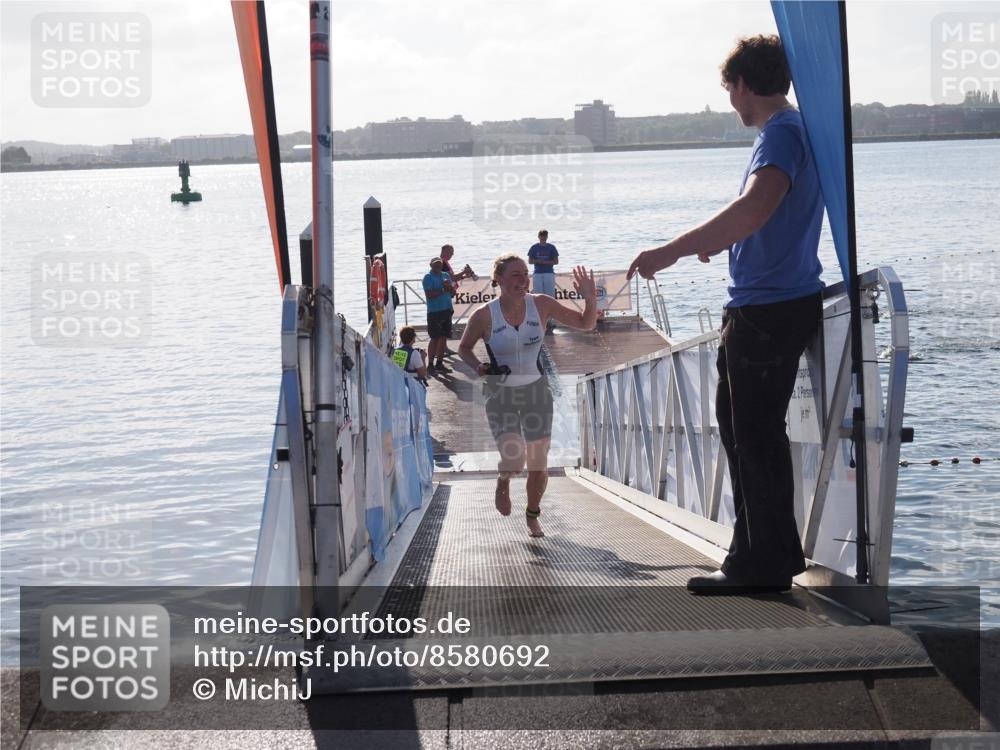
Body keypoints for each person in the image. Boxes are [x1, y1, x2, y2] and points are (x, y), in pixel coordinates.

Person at [627, 34, 824, 594]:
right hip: (774, 301)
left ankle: (760, 566)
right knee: (745, 431)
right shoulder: (793, 130)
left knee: (754, 435)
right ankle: (763, 552)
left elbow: (756, 206)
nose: (731, 102)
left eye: (730, 90)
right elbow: (760, 217)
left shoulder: (781, 133)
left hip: (768, 308)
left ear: (744, 84)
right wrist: (729, 241)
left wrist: (673, 249)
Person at [459, 254, 597, 537]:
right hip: (501, 393)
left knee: (538, 462)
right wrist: (478, 367)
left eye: (526, 274)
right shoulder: (484, 315)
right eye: (515, 275)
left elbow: (586, 323)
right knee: (515, 459)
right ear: (498, 279)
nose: (523, 280)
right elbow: (464, 348)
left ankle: (533, 514)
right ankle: (503, 479)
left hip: (536, 391)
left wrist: (589, 297)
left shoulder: (541, 304)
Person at [439, 244, 477, 358]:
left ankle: (444, 347)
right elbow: (452, 278)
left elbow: (453, 278)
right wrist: (464, 272)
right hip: (443, 297)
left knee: (446, 323)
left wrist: (464, 275)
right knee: (443, 324)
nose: (452, 254)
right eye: (451, 252)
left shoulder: (445, 263)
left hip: (447, 296)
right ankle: (442, 348)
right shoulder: (441, 263)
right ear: (445, 251)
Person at [422, 257, 455, 374]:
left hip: (447, 309)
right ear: (431, 265)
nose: (438, 266)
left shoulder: (446, 275)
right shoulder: (428, 277)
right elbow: (429, 294)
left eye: (440, 264)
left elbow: (452, 293)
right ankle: (430, 365)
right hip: (434, 312)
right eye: (436, 264)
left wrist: (450, 288)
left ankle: (439, 363)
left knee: (443, 338)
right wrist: (443, 289)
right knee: (434, 338)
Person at [527, 230, 559, 297]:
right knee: (538, 295)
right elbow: (530, 261)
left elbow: (556, 262)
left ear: (547, 237)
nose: (543, 238)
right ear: (538, 236)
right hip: (537, 273)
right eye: (541, 236)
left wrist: (546, 262)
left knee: (550, 295)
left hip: (549, 272)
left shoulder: (551, 247)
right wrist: (538, 261)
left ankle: (550, 307)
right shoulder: (534, 247)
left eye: (544, 236)